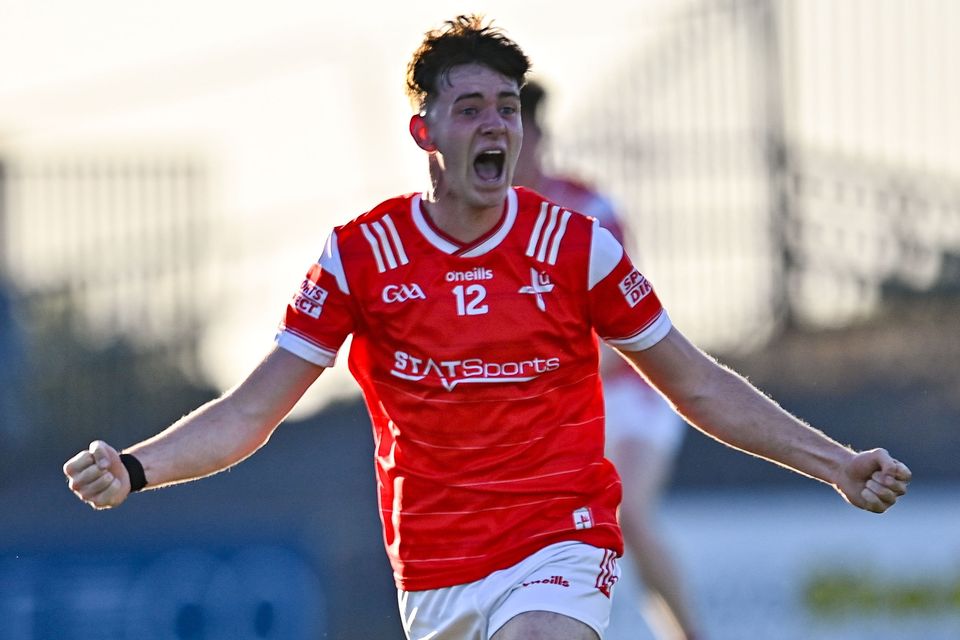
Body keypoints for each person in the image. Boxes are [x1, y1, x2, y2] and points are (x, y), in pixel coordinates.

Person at [64, 15, 911, 640]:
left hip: (561, 539)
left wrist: (834, 463)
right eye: (470, 108)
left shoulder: (576, 245)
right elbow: (250, 413)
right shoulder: (361, 256)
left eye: (506, 107)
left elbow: (696, 382)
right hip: (436, 572)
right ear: (424, 130)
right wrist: (138, 467)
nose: (496, 125)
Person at [514, 80, 700, 640]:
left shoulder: (588, 209)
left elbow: (622, 339)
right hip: (553, 409)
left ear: (539, 136)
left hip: (622, 395)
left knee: (630, 515)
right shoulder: (476, 227)